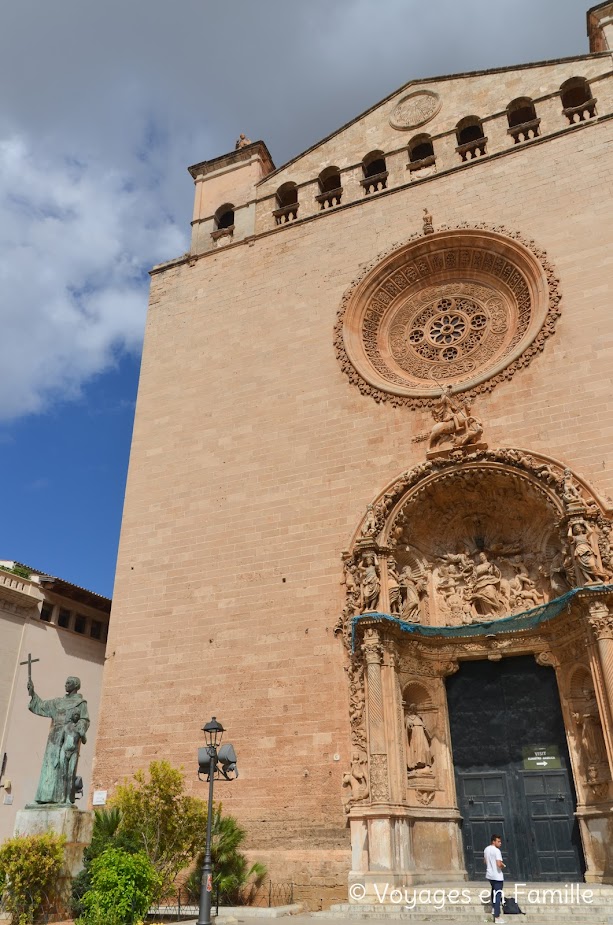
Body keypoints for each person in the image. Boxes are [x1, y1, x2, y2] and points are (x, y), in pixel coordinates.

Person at [27, 675, 89, 804]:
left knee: (64, 769)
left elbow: (84, 720)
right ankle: (45, 797)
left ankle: (61, 798)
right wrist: (32, 692)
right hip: (54, 738)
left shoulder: (80, 703)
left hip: (68, 736)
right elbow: (42, 705)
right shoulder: (57, 702)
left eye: (69, 683)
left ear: (76, 686)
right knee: (49, 766)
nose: (66, 684)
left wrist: (77, 731)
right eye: (65, 682)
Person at [484, 833, 505, 923]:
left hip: (490, 875)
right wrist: (503, 865)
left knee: (493, 891)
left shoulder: (486, 849)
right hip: (497, 876)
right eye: (498, 841)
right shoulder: (497, 851)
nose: (500, 843)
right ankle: (497, 917)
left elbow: (485, 861)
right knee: (498, 894)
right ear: (493, 841)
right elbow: (499, 864)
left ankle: (493, 908)